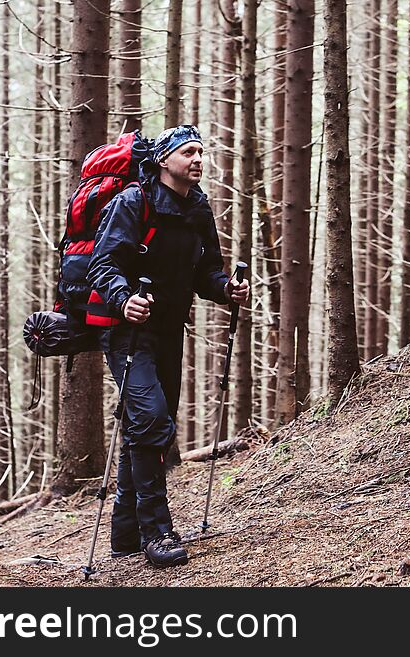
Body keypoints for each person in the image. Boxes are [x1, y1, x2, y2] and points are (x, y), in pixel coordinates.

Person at [87, 125, 249, 567]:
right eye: (188, 152)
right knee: (153, 422)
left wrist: (227, 288)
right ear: (164, 160)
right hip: (127, 332)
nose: (198, 159)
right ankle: (158, 533)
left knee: (146, 426)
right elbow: (104, 262)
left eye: (201, 152)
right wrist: (125, 300)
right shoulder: (132, 202)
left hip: (169, 330)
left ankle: (124, 535)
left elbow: (207, 272)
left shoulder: (198, 207)